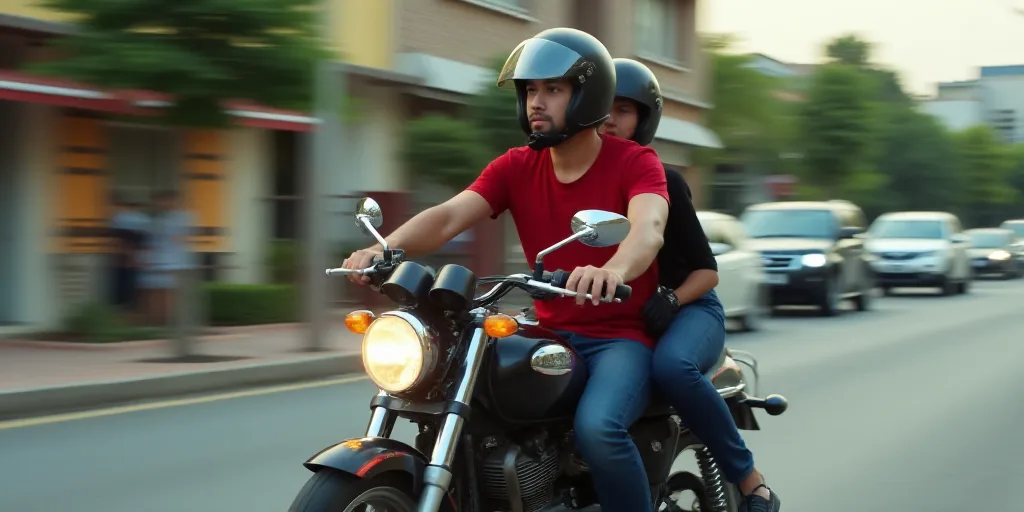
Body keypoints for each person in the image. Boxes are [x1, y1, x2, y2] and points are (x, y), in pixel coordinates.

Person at [342, 28, 669, 512]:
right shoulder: (516, 166)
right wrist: (383, 248)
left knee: (598, 428)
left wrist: (614, 269)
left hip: (618, 339)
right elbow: (449, 216)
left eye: (553, 89)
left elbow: (648, 228)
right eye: (530, 90)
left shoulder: (635, 161)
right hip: (551, 332)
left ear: (588, 96)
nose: (537, 101)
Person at [601, 57, 782, 512]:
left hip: (690, 308)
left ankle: (751, 481)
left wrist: (672, 297)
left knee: (673, 366)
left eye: (623, 110)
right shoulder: (580, 179)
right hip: (622, 315)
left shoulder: (664, 181)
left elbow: (707, 271)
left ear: (644, 119)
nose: (610, 119)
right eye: (603, 106)